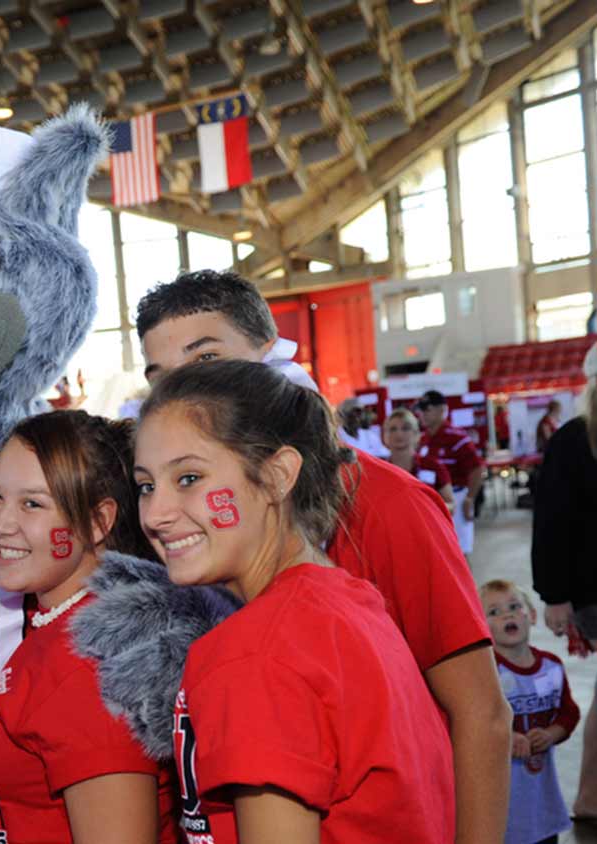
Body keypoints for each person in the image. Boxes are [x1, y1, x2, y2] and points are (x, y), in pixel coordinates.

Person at [135, 269, 507, 844]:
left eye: (205, 362)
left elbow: (479, 712)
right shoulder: (195, 520)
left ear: (271, 357)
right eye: (161, 379)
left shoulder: (385, 504)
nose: (180, 395)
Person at [0, 411, 176, 843]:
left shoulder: (88, 663)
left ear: (100, 521)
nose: (0, 524)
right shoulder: (66, 619)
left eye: (33, 504)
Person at [533, 341, 597, 818]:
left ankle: (591, 797)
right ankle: (589, 796)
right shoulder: (573, 440)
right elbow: (551, 521)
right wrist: (555, 597)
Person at [480, 579, 578, 844]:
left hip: (541, 796)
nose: (507, 614)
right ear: (481, 626)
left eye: (514, 606)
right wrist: (506, 737)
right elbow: (475, 722)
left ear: (532, 616)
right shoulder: (486, 674)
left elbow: (569, 713)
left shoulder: (551, 667)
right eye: (494, 612)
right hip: (501, 799)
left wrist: (551, 734)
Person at [418, 389, 486, 554]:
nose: (422, 414)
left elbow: (477, 469)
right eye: (421, 410)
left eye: (427, 409)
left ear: (442, 409)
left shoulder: (457, 437)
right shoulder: (423, 438)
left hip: (456, 497)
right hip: (431, 500)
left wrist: (469, 498)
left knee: (459, 552)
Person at [383, 408, 454, 509]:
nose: (399, 433)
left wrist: (427, 508)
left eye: (406, 428)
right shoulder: (379, 469)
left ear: (417, 434)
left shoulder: (434, 466)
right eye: (393, 429)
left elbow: (450, 504)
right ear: (385, 436)